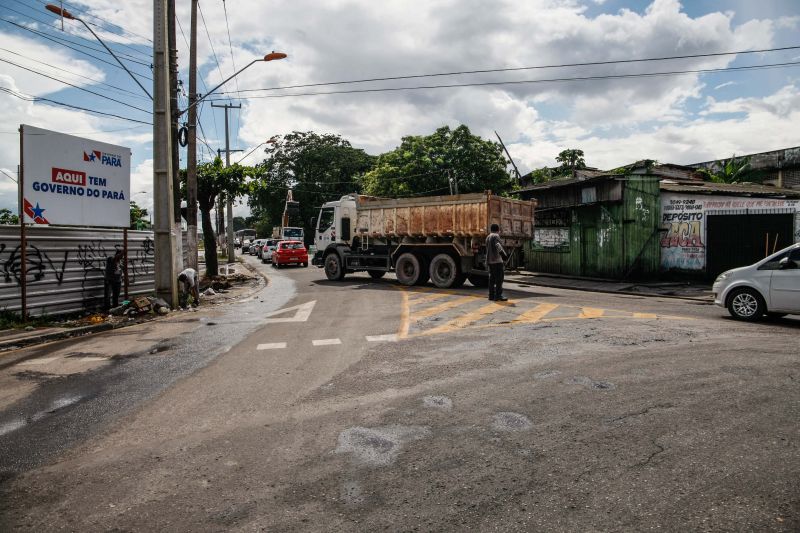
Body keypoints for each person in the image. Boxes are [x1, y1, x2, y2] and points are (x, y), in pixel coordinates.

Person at [486, 223, 509, 301]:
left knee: (492, 279)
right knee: (499, 279)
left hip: (490, 261)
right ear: (498, 230)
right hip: (497, 261)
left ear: (491, 229)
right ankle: (498, 296)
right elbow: (498, 245)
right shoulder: (496, 236)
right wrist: (504, 255)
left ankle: (491, 296)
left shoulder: (488, 237)